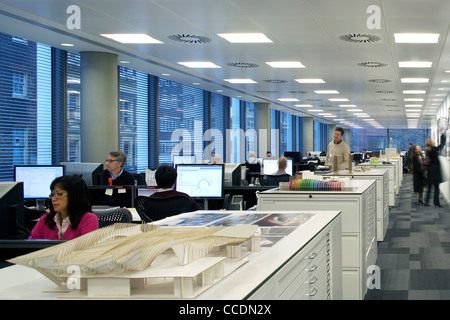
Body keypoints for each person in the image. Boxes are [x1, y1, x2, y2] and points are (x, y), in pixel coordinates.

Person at [29, 175, 98, 240]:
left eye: (59, 194)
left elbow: (87, 250)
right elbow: (29, 247)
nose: (53, 199)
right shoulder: (46, 219)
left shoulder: (88, 219)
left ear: (74, 196)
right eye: (53, 194)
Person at [424, 132, 446, 207]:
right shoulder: (433, 149)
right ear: (431, 143)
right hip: (435, 170)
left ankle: (426, 202)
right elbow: (442, 145)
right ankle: (436, 203)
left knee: (429, 187)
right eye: (432, 141)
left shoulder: (428, 151)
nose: (434, 141)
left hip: (430, 170)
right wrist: (442, 135)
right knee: (436, 187)